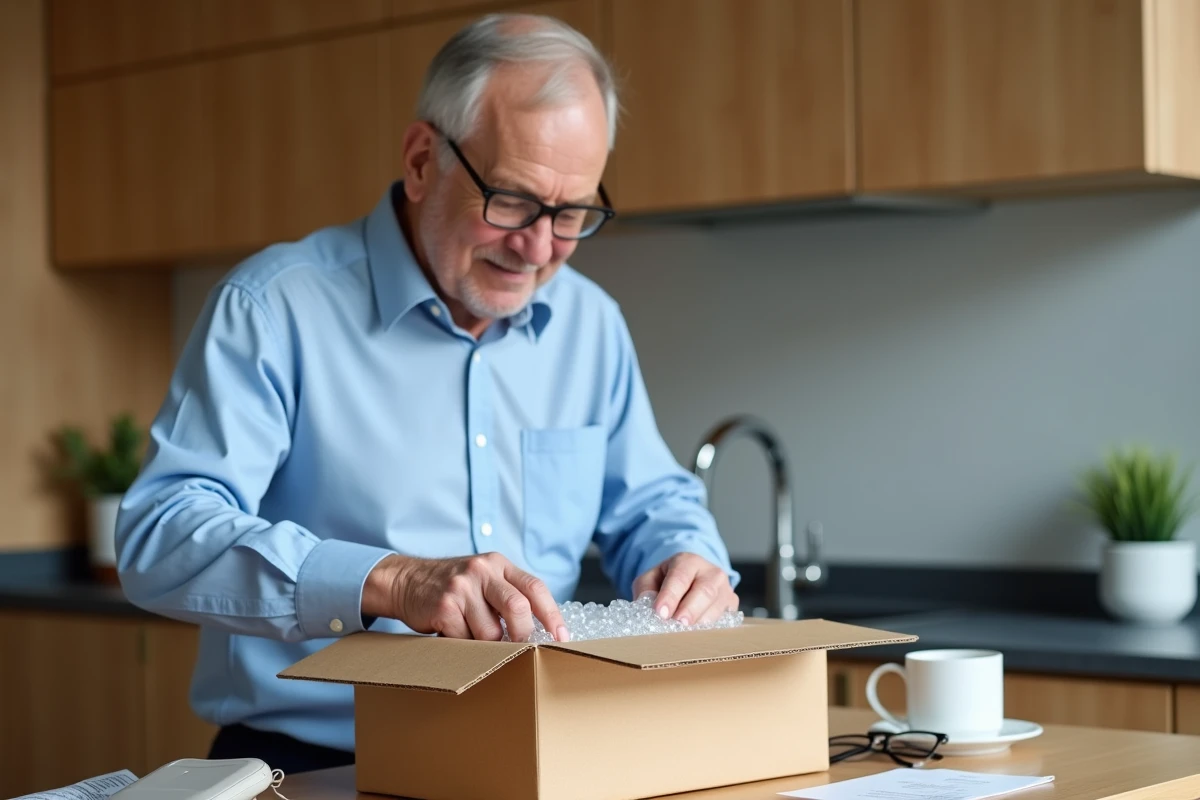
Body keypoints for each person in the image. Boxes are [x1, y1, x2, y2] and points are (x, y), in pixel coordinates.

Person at [116, 12, 738, 775]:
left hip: (549, 758)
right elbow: (160, 536)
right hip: (310, 767)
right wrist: (395, 581)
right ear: (420, 161)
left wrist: (687, 557)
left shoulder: (591, 325)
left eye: (571, 213)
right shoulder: (274, 309)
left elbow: (650, 500)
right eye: (511, 201)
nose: (539, 250)